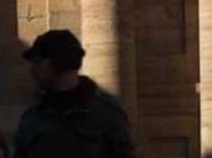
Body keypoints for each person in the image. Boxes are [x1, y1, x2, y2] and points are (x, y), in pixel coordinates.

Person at [13, 29, 135, 158]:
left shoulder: (106, 112)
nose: (32, 69)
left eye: (38, 61)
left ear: (57, 61)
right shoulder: (32, 117)